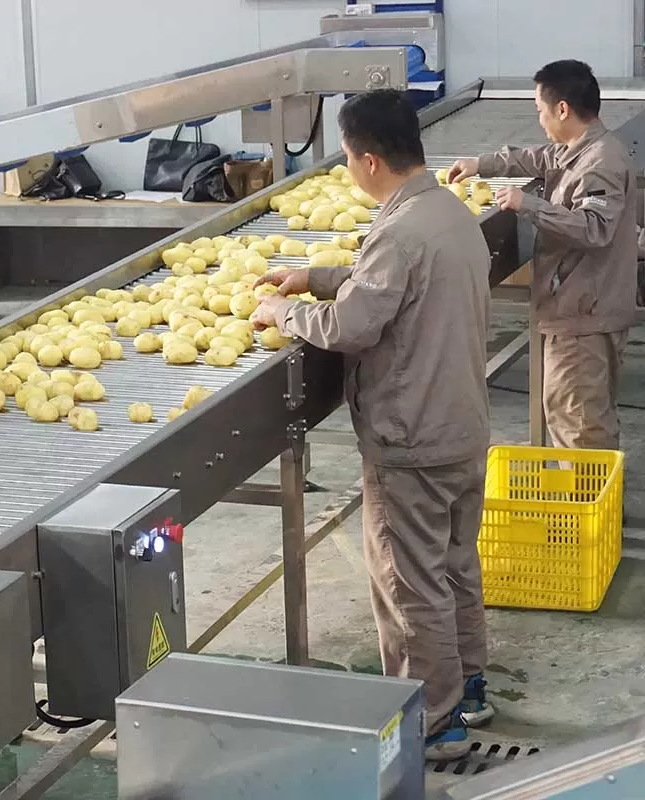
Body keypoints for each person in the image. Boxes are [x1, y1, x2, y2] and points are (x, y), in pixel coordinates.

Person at [250, 89, 493, 761]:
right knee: (453, 564)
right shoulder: (445, 211)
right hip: (462, 424)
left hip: (411, 438)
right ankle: (469, 685)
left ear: (366, 159)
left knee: (409, 586)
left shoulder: (399, 230)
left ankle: (432, 725)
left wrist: (282, 311)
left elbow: (354, 326)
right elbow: (395, 283)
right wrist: (316, 274)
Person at [449, 60, 638, 454]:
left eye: (540, 109)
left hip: (583, 314)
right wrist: (481, 164)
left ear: (563, 109)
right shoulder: (581, 150)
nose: (539, 119)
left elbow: (594, 228)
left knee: (580, 427)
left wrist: (528, 205)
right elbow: (539, 158)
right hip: (580, 307)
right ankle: (588, 506)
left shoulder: (599, 163)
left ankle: (587, 511)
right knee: (582, 417)